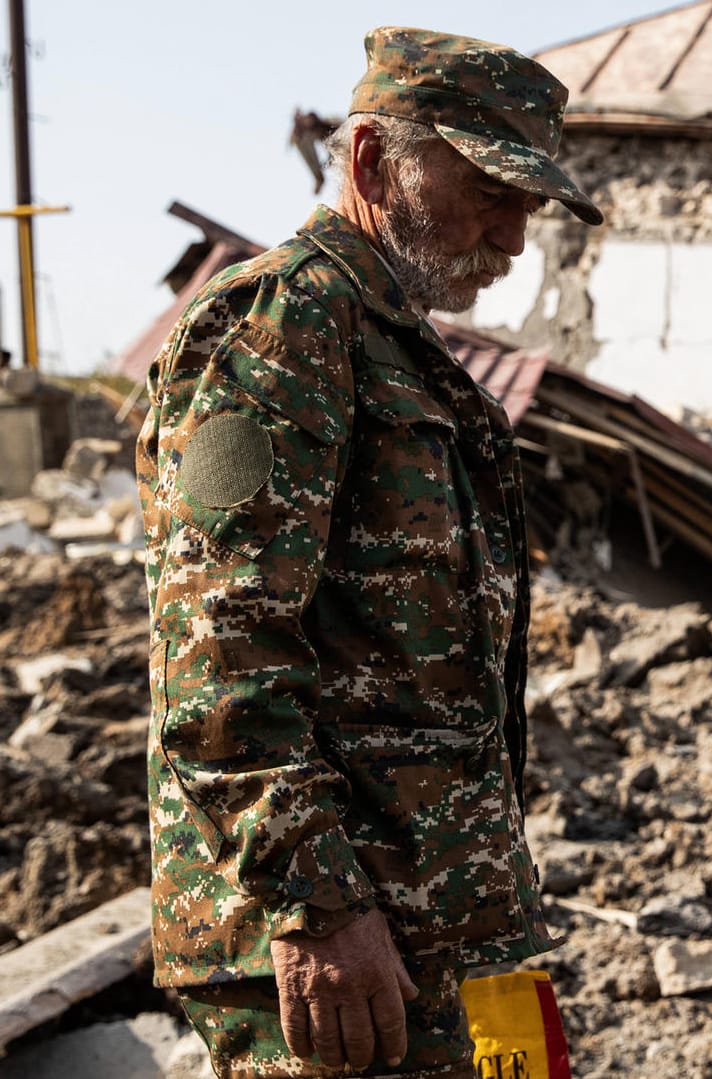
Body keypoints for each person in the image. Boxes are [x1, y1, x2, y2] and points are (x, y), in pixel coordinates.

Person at [137, 26, 602, 1078]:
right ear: (369, 161)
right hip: (352, 944)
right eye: (490, 188)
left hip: (461, 918)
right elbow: (220, 648)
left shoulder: (397, 343)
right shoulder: (280, 326)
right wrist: (316, 903)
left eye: (527, 204)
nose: (514, 236)